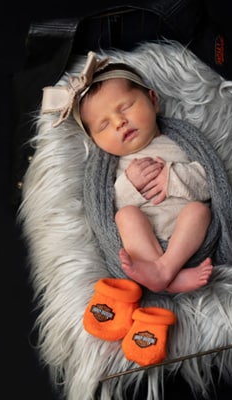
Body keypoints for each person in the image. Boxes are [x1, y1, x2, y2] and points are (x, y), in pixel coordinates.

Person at [76, 62, 213, 294]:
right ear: (94, 140)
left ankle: (165, 270)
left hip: (186, 236)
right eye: (104, 125)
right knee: (125, 215)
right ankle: (165, 273)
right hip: (143, 245)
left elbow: (211, 183)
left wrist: (172, 177)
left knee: (200, 211)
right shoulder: (111, 166)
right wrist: (131, 185)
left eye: (126, 106)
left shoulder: (180, 141)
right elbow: (105, 210)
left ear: (152, 99)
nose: (119, 123)